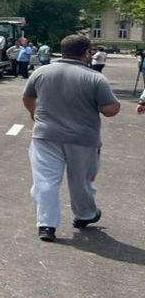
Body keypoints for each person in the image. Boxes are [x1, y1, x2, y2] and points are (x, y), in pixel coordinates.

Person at [22, 34, 121, 242]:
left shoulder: (41, 72)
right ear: (87, 53)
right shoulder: (95, 78)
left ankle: (46, 225)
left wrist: (35, 115)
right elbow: (111, 109)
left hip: (45, 135)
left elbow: (28, 97)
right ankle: (84, 215)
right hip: (83, 139)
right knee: (81, 181)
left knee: (45, 181)